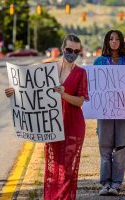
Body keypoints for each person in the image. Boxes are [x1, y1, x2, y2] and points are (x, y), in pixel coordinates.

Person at [5, 34, 89, 200]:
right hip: (51, 124)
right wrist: (14, 92)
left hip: (73, 125)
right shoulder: (47, 69)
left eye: (76, 51)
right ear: (63, 48)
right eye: (69, 50)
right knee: (54, 167)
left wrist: (64, 95)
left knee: (67, 170)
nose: (72, 53)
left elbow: (80, 102)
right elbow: (29, 89)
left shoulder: (81, 73)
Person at [93, 30, 125, 196]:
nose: (114, 41)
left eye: (117, 39)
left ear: (121, 42)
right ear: (106, 41)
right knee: (104, 147)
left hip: (124, 111)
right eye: (111, 39)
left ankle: (117, 184)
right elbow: (94, 84)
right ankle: (105, 183)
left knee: (121, 146)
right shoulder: (99, 62)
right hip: (104, 112)